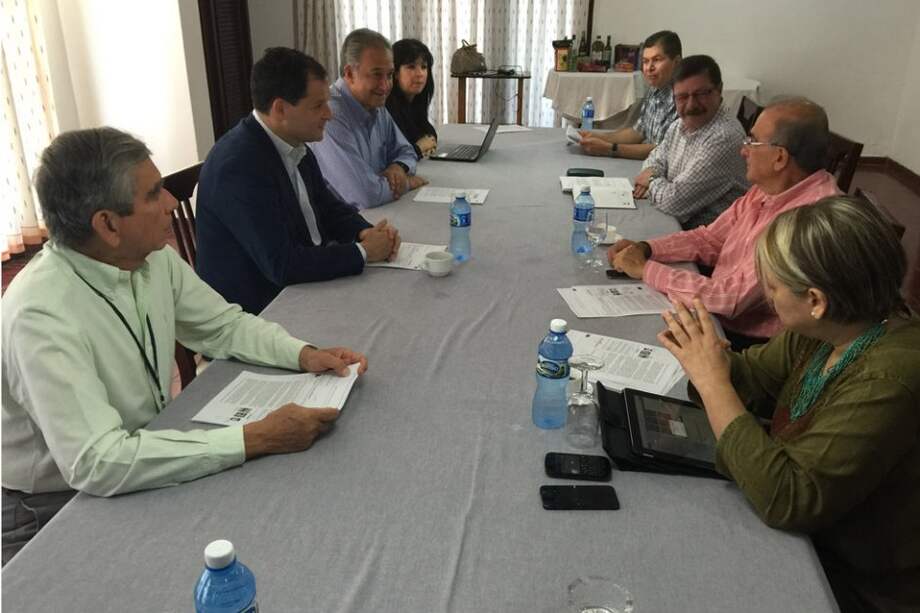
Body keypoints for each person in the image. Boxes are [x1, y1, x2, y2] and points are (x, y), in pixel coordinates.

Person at [1, 127, 368, 564]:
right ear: (108, 224)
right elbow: (97, 461)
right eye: (154, 194)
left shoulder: (151, 258)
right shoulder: (40, 314)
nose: (172, 204)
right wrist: (253, 439)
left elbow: (223, 326)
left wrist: (304, 354)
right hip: (52, 505)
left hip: (143, 448)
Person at [658, 196, 920, 613]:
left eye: (774, 286)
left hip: (859, 579)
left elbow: (789, 498)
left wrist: (711, 381)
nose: (767, 295)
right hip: (820, 537)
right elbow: (751, 382)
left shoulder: (888, 377)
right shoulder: (830, 327)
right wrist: (710, 355)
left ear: (816, 300)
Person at [609, 97, 840, 349]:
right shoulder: (772, 186)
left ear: (780, 158)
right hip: (722, 309)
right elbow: (711, 239)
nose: (743, 151)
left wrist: (646, 269)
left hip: (756, 344)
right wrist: (648, 249)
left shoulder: (807, 219)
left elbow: (730, 299)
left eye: (752, 141)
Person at [196, 48, 400, 315]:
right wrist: (362, 252)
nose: (329, 114)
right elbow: (282, 265)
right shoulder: (238, 165)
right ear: (280, 109)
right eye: (318, 105)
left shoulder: (294, 142)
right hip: (258, 311)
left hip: (299, 285)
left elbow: (328, 208)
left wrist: (365, 233)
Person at [310, 28, 427, 209]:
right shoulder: (330, 115)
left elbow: (407, 152)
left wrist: (398, 167)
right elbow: (365, 195)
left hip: (379, 214)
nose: (386, 85)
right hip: (341, 230)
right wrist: (406, 183)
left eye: (389, 75)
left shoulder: (375, 104)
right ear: (349, 74)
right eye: (377, 74)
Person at [633, 55, 748, 229]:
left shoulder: (724, 137)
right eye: (682, 97)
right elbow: (655, 157)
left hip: (708, 241)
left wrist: (652, 180)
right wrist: (655, 174)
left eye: (701, 94)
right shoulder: (681, 124)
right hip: (676, 222)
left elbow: (674, 202)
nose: (691, 104)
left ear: (719, 90)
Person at [578, 30, 681, 160]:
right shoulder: (655, 89)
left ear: (676, 62)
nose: (649, 68)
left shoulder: (683, 98)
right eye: (645, 61)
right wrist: (598, 137)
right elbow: (638, 131)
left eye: (657, 60)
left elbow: (661, 151)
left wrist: (609, 148)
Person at [386, 38, 438, 159]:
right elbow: (394, 155)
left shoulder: (415, 100)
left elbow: (429, 132)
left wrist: (424, 144)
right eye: (411, 67)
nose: (420, 74)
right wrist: (419, 148)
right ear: (395, 73)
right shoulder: (386, 105)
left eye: (424, 67)